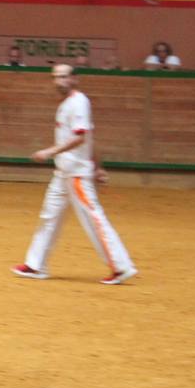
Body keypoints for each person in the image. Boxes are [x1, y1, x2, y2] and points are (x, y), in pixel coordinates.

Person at [12, 64, 135, 286]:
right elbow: (90, 137)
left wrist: (50, 151)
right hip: (64, 172)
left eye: (64, 77)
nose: (59, 81)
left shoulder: (78, 102)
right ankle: (36, 265)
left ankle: (121, 267)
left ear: (74, 79)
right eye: (56, 77)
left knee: (93, 217)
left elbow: (81, 137)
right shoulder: (69, 104)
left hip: (76, 173)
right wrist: (98, 166)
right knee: (49, 216)